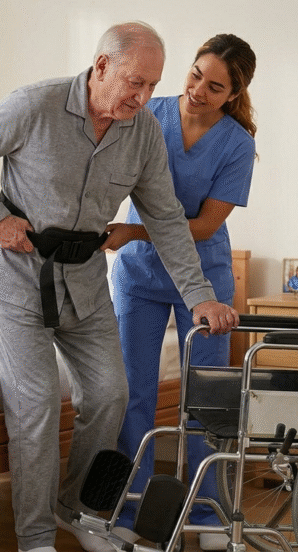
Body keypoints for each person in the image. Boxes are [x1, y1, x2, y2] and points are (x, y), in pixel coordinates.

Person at [0, 22, 240, 552]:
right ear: (101, 66)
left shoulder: (143, 129)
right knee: (35, 404)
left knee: (109, 394)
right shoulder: (36, 105)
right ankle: (35, 539)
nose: (144, 97)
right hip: (17, 279)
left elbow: (167, 219)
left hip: (84, 280)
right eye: (133, 82)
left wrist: (200, 296)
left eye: (152, 86)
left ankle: (71, 508)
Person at [106, 33, 257, 551]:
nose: (197, 90)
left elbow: (202, 225)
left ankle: (208, 514)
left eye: (215, 87)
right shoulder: (147, 116)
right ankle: (133, 510)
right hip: (140, 276)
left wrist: (130, 232)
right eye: (195, 75)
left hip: (203, 277)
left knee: (204, 402)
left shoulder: (237, 144)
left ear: (233, 94)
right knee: (134, 396)